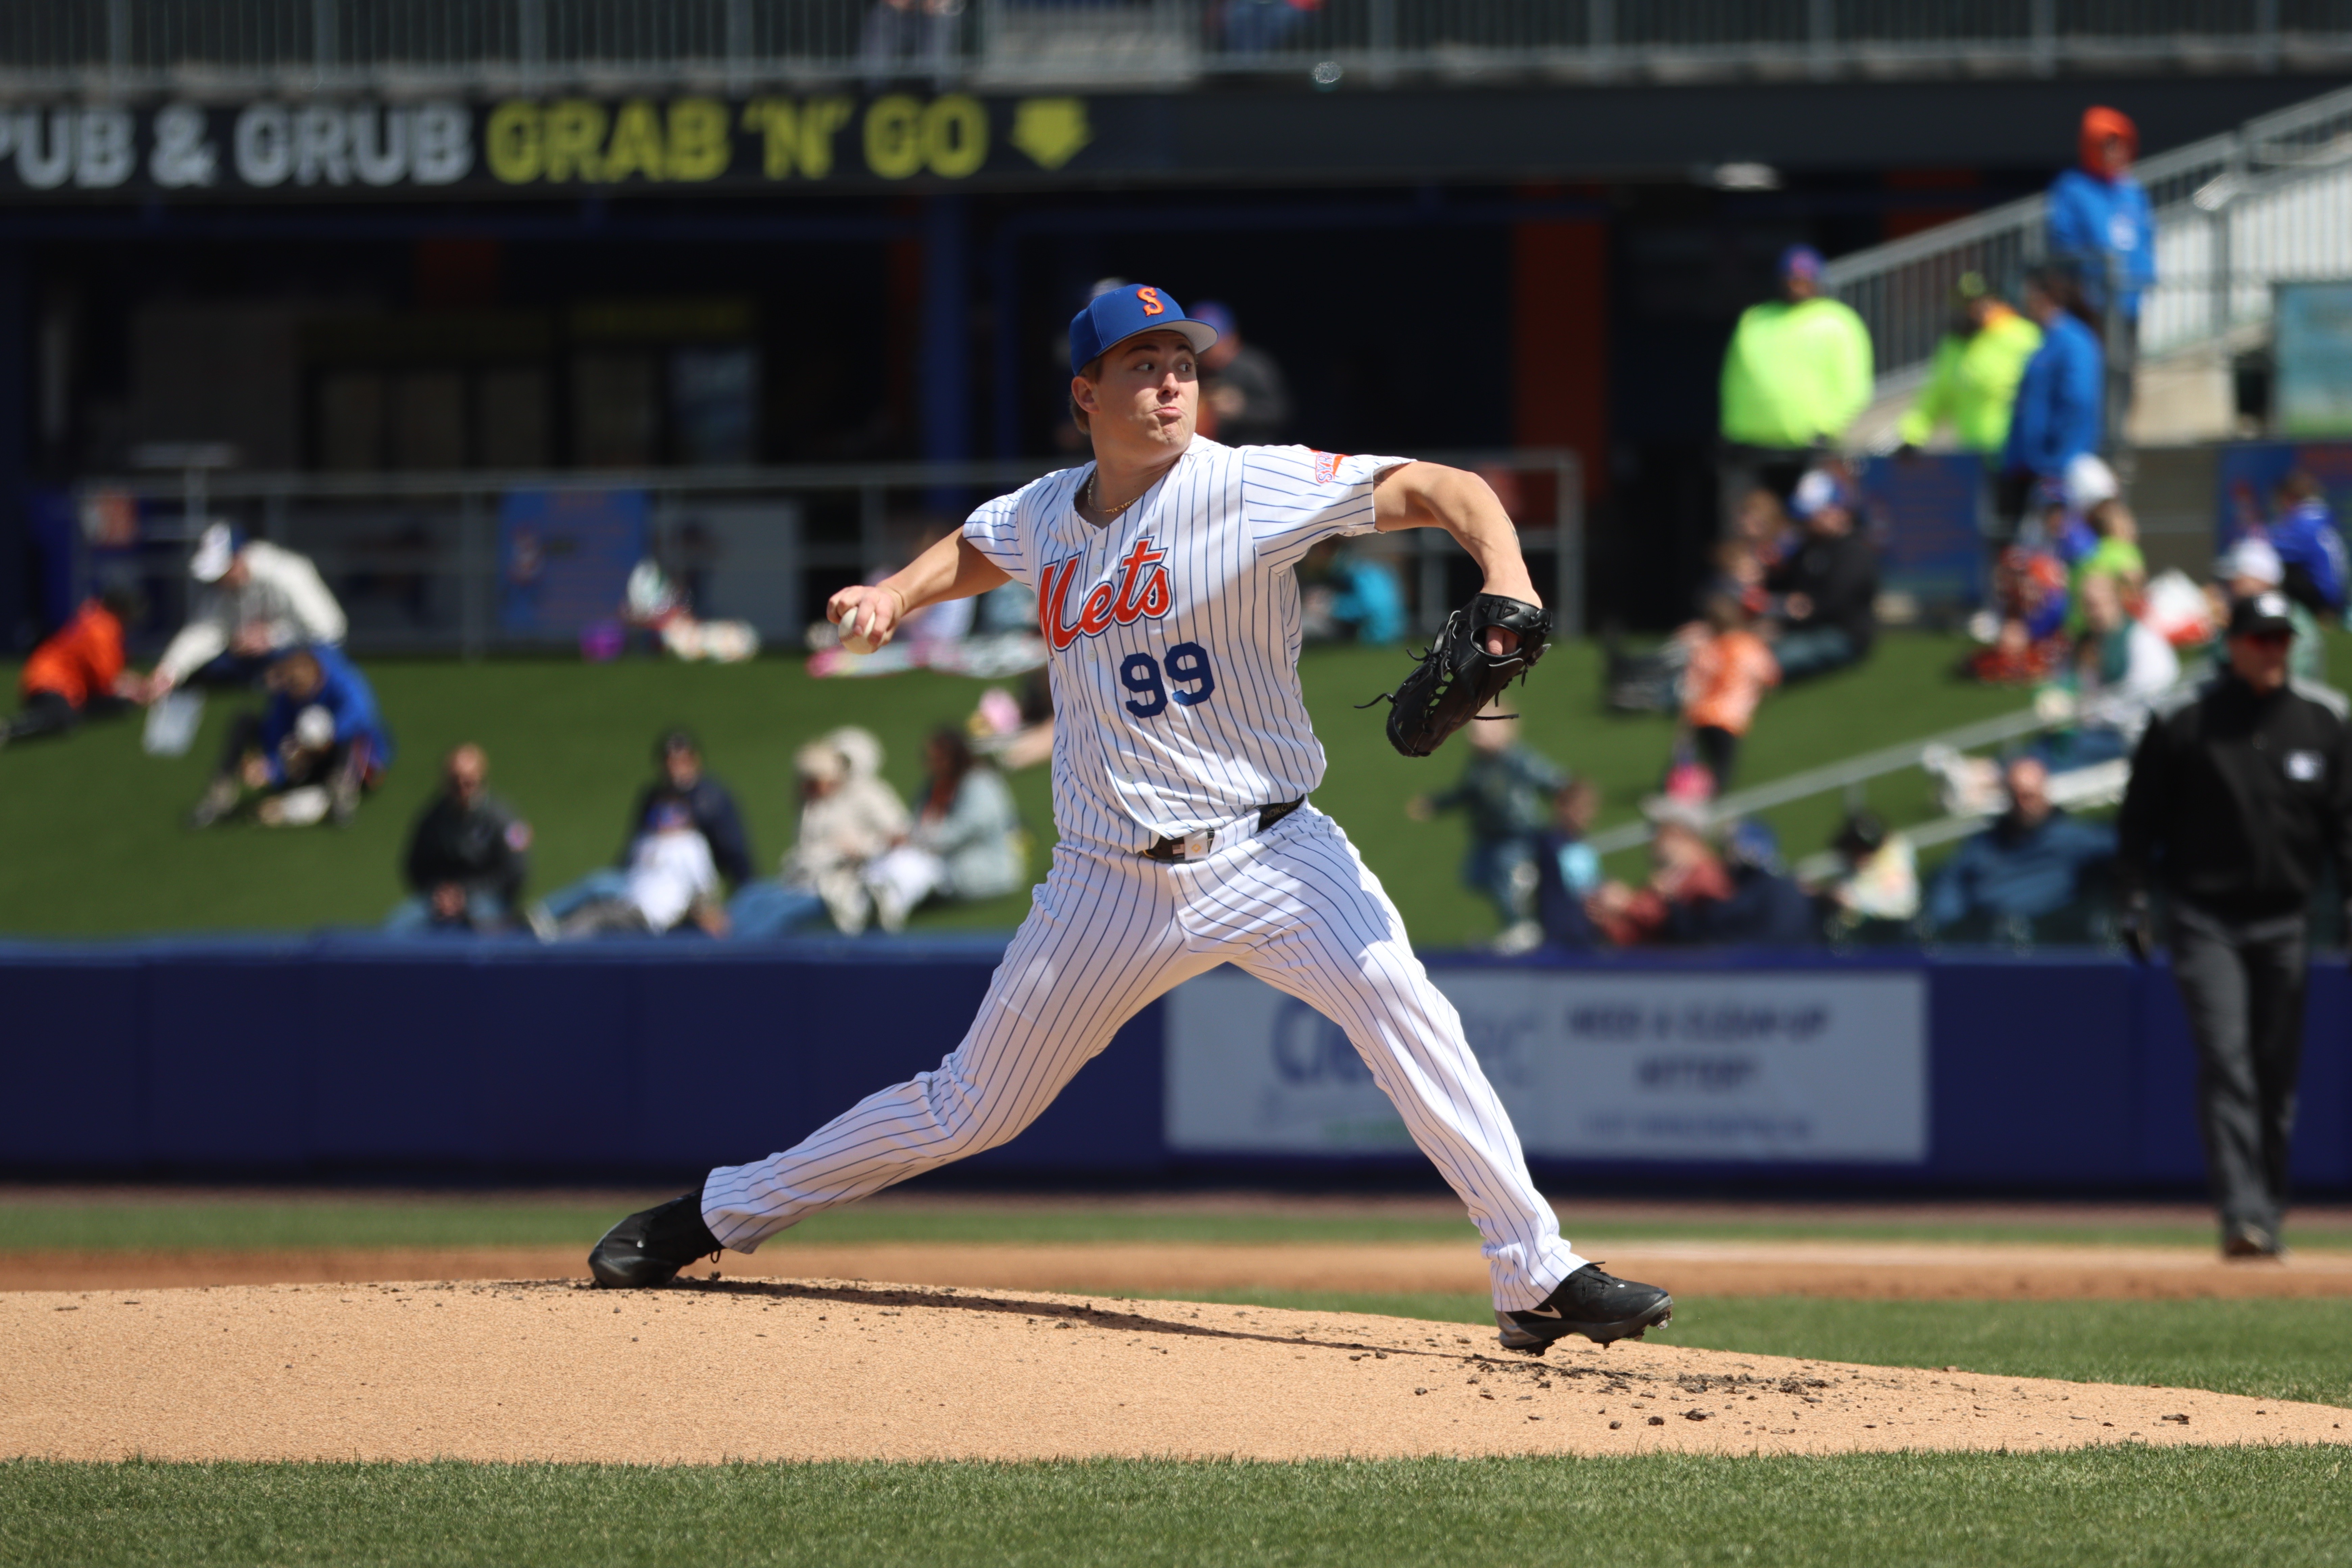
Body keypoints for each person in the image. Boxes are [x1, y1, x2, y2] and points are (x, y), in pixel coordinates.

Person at [587, 280, 1675, 1353]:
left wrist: (1511, 575)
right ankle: (715, 1213)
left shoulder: (1250, 486)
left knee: (1405, 1005)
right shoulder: (1048, 512)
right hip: (1106, 879)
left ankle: (1534, 1271)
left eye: (1184, 366)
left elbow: (1444, 486)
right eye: (1142, 367)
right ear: (1086, 397)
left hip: (1274, 848)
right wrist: (893, 594)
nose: (1170, 386)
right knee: (970, 1106)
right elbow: (979, 544)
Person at [2117, 591, 2352, 1259]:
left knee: (2276, 1072)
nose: (2273, 650)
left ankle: (2268, 1210)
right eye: (2261, 639)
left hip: (2286, 918)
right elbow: (2140, 820)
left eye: (2282, 638)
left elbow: (2347, 825)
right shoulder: (2185, 720)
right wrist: (2133, 897)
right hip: (2205, 917)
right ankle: (2242, 1213)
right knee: (2228, 1063)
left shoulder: (2325, 720)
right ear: (2234, 644)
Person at [537, 729, 757, 927]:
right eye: (670, 762)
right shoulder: (653, 797)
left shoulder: (713, 799)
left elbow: (735, 852)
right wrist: (624, 875)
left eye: (682, 761)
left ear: (695, 761)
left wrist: (741, 897)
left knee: (600, 898)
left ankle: (547, 923)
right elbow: (633, 846)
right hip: (646, 877)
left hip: (686, 886)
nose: (675, 769)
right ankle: (539, 917)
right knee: (599, 884)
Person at [1718, 244, 1874, 502]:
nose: (1796, 286)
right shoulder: (1755, 320)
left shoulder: (1838, 321)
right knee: (1759, 529)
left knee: (1816, 523)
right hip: (1756, 452)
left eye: (1804, 280)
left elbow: (1854, 385)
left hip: (1815, 450)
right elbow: (1733, 382)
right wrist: (1732, 432)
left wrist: (1830, 429)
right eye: (1791, 280)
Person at [187, 645, 392, 829]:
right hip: (302, 756)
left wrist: (323, 738)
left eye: (302, 691)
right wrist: (269, 767)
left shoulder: (345, 682)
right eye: (293, 690)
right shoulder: (286, 691)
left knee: (348, 733)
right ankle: (221, 794)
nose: (297, 697)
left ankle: (341, 792)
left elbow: (362, 716)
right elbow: (277, 731)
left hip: (359, 760)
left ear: (318, 679)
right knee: (244, 721)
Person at [2047, 105, 2155, 449]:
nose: (2115, 152)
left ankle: (2119, 439)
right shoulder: (2073, 189)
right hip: (2093, 302)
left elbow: (2145, 236)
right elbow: (2063, 241)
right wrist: (2086, 280)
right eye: (2107, 145)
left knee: (2124, 373)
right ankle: (2094, 442)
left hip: (2129, 300)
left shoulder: (2131, 191)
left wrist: (2146, 275)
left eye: (2120, 144)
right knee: (2094, 375)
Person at [1406, 714, 1566, 939]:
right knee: (1474, 876)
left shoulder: (1518, 759)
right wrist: (1436, 805)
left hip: (1515, 834)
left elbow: (1552, 779)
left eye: (1481, 732)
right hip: (1487, 836)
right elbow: (1466, 794)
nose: (1473, 737)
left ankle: (1520, 926)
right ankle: (1523, 885)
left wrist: (1567, 794)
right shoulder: (1478, 766)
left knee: (1504, 877)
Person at [1922, 755, 2115, 939]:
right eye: (2016, 797)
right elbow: (1951, 881)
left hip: (2049, 936)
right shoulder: (1983, 845)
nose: (2023, 805)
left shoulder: (2073, 838)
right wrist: (1949, 927)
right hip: (1985, 937)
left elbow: (2121, 849)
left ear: (2044, 794)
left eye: (2029, 796)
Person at [149, 522, 346, 699]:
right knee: (214, 668)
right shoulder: (223, 589)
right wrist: (170, 670)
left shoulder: (287, 573)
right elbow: (206, 630)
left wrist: (272, 636)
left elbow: (330, 629)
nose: (217, 580)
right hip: (258, 659)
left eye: (222, 571)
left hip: (306, 653)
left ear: (239, 558)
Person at [861, 728, 1028, 933]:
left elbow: (960, 832)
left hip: (982, 871)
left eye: (936, 758)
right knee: (897, 858)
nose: (929, 764)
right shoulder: (934, 786)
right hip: (943, 864)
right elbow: (917, 824)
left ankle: (890, 908)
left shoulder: (982, 785)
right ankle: (871, 900)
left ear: (955, 757)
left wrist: (912, 839)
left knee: (917, 864)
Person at [385, 744, 533, 935]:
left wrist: (466, 894)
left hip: (486, 899)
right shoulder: (433, 817)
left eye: (469, 782)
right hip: (438, 900)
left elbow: (515, 872)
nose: (462, 789)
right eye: (455, 782)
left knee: (486, 930)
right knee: (396, 927)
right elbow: (414, 865)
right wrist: (438, 892)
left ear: (481, 780)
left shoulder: (502, 818)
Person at [1999, 265, 2104, 525]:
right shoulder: (2044, 341)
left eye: (2028, 295)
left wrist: (2057, 463)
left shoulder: (2074, 341)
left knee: (2059, 553)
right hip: (2031, 467)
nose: (2024, 302)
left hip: (2056, 471)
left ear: (2043, 297)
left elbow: (2079, 401)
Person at [1896, 273, 2043, 457]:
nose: (1976, 310)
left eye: (1983, 302)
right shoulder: (1954, 346)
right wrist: (1912, 436)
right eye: (1968, 304)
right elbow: (1935, 397)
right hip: (1973, 454)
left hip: (2019, 452)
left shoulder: (2023, 336)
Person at [1763, 468, 1879, 682]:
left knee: (1775, 658)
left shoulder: (1854, 552)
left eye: (1813, 515)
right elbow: (1784, 586)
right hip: (1801, 630)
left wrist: (1797, 613)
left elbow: (1833, 602)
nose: (1806, 522)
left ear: (1836, 511)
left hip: (1841, 635)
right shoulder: (1806, 547)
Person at [558, 796, 729, 939]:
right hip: (628, 901)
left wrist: (708, 911)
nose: (665, 822)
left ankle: (556, 944)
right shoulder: (645, 841)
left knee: (595, 907)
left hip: (650, 915)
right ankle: (555, 930)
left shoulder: (692, 843)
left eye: (672, 815)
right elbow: (629, 874)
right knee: (598, 890)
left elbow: (706, 886)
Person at [1, 585, 142, 747]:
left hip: (60, 680)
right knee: (61, 718)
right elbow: (106, 679)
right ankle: (9, 730)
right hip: (52, 680)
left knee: (117, 706)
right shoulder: (102, 628)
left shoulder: (96, 619)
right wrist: (136, 689)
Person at [1678, 593, 1780, 793]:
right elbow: (1770, 676)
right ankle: (1708, 805)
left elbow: (1695, 680)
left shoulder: (1710, 648)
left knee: (1703, 765)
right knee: (1723, 770)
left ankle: (1690, 796)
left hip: (1702, 714)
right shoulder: (1748, 646)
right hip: (1729, 717)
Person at [2207, 537, 2323, 687]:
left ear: (2260, 581)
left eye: (2235, 580)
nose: (2228, 588)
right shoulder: (2233, 616)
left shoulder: (2296, 621)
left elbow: (2281, 680)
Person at [1190, 301, 1294, 447]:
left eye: (1215, 342)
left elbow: (1281, 413)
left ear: (1233, 338)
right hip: (1212, 453)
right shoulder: (1195, 367)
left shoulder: (1254, 365)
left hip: (1255, 452)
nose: (1208, 350)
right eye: (1203, 343)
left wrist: (1241, 409)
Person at [2259, 471, 2347, 620]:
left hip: (2323, 599)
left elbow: (2268, 547)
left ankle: (2269, 614)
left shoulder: (2304, 521)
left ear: (2289, 497)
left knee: (2272, 567)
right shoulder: (2318, 515)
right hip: (2336, 595)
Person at [1532, 778, 1604, 950]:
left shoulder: (1582, 846)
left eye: (1589, 808)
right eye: (1580, 808)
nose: (1586, 814)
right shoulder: (1549, 844)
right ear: (1562, 807)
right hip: (1559, 933)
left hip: (1586, 934)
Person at [1300, 537, 1408, 645]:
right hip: (1391, 634)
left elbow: (1371, 607)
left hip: (1375, 636)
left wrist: (1330, 606)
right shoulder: (1373, 568)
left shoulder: (1356, 571)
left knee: (1307, 623)